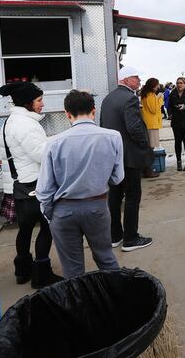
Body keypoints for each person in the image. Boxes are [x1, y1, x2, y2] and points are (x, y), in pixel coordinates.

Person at [36, 90, 124, 279]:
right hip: (97, 205)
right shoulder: (113, 137)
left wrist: (50, 213)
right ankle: (119, 298)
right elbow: (117, 178)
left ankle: (79, 306)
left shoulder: (54, 143)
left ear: (67, 114)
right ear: (94, 111)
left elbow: (44, 189)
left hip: (63, 210)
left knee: (73, 270)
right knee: (106, 259)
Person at [0, 81, 63, 288]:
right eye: (39, 100)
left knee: (24, 230)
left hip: (18, 185)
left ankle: (22, 271)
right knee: (47, 227)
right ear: (27, 103)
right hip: (33, 183)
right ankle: (41, 273)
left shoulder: (11, 121)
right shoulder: (25, 123)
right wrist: (61, 139)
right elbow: (41, 154)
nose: (42, 104)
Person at [100, 66, 154, 252]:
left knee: (114, 197)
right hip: (129, 157)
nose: (139, 81)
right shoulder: (130, 98)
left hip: (113, 157)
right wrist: (144, 145)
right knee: (132, 196)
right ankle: (131, 238)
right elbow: (134, 128)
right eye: (136, 77)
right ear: (125, 79)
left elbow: (103, 128)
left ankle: (115, 236)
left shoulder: (107, 99)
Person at [140, 78, 163, 179]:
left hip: (148, 123)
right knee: (150, 148)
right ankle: (148, 170)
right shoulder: (151, 96)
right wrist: (160, 99)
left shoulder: (145, 95)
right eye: (157, 85)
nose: (158, 87)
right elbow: (154, 110)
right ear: (153, 86)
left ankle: (146, 169)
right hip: (152, 124)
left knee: (148, 147)